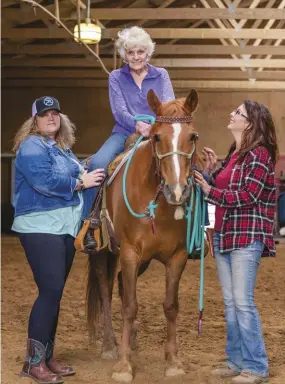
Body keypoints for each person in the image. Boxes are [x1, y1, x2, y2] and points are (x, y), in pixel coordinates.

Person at [12, 96, 105, 384]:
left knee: (54, 293)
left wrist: (86, 168)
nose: (51, 118)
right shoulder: (30, 147)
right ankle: (33, 363)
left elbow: (76, 170)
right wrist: (81, 183)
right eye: (44, 115)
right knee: (50, 291)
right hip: (40, 226)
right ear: (35, 121)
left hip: (63, 228)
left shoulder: (62, 150)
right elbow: (45, 182)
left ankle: (46, 357)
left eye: (55, 114)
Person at [194, 101, 278, 384]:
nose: (231, 114)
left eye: (238, 113)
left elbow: (248, 196)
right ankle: (236, 360)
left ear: (250, 123)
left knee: (243, 302)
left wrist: (209, 190)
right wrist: (211, 173)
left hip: (246, 234)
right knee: (231, 303)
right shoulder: (234, 155)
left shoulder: (259, 155)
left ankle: (256, 366)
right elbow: (220, 188)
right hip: (225, 233)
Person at [82, 26, 175, 249]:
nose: (135, 57)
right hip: (124, 131)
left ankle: (195, 228)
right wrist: (136, 124)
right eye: (130, 52)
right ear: (124, 54)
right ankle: (90, 223)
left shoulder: (161, 75)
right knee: (97, 164)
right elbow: (118, 109)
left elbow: (169, 105)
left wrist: (153, 127)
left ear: (148, 53)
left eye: (140, 52)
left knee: (184, 163)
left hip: (156, 132)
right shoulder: (116, 77)